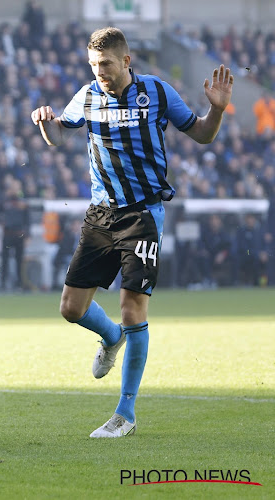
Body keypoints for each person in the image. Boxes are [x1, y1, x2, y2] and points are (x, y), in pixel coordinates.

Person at [31, 27, 233, 438]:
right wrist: (43, 122)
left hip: (143, 214)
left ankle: (125, 413)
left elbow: (203, 135)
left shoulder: (157, 92)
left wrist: (217, 111)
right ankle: (111, 338)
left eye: (105, 63)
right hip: (101, 215)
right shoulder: (87, 96)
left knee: (132, 309)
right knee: (70, 308)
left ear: (126, 60)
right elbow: (56, 136)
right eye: (93, 65)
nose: (99, 71)